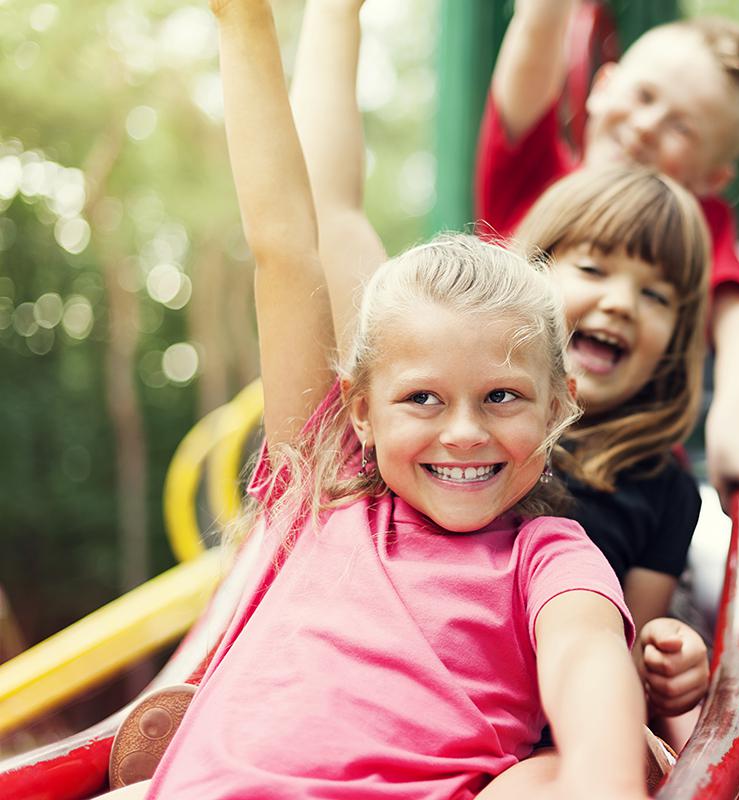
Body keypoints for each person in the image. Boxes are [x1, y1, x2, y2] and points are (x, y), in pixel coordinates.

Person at [104, 1, 650, 797]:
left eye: (501, 396)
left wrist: (605, 782)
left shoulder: (549, 558)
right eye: (423, 399)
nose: (463, 432)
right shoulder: (323, 496)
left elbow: (584, 659)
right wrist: (242, 25)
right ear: (361, 409)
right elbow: (285, 247)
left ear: (561, 405)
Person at [289, 0, 714, 745]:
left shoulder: (657, 486)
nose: (620, 302)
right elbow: (330, 215)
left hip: (519, 741)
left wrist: (665, 665)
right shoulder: (424, 407)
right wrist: (335, 17)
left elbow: (621, 656)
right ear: (534, 274)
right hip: (371, 712)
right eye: (593, 269)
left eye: (655, 295)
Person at [479, 1, 739, 526]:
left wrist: (737, 423)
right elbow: (536, 32)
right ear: (602, 86)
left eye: (683, 128)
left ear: (711, 179)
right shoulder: (536, 172)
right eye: (645, 96)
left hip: (615, 487)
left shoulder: (689, 231)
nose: (648, 125)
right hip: (487, 441)